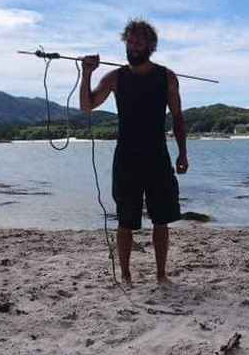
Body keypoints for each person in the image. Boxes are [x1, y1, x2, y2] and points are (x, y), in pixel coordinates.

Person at [80, 18, 188, 285]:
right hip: (126, 155)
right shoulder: (115, 77)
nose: (133, 46)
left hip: (157, 154)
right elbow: (86, 105)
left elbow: (177, 117)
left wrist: (182, 153)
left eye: (139, 41)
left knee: (161, 219)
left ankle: (161, 274)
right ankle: (126, 274)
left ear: (151, 45)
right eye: (130, 41)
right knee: (125, 219)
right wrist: (87, 73)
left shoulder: (167, 77)